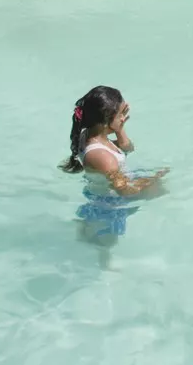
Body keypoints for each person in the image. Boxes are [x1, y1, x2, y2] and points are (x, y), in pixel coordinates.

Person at [61, 85, 167, 245]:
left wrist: (119, 128)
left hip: (102, 190)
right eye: (121, 115)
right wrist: (150, 180)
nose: (124, 117)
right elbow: (124, 190)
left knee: (159, 186)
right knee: (108, 241)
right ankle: (104, 259)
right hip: (109, 203)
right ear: (106, 120)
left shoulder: (90, 134)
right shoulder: (103, 157)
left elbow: (127, 148)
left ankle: (87, 230)